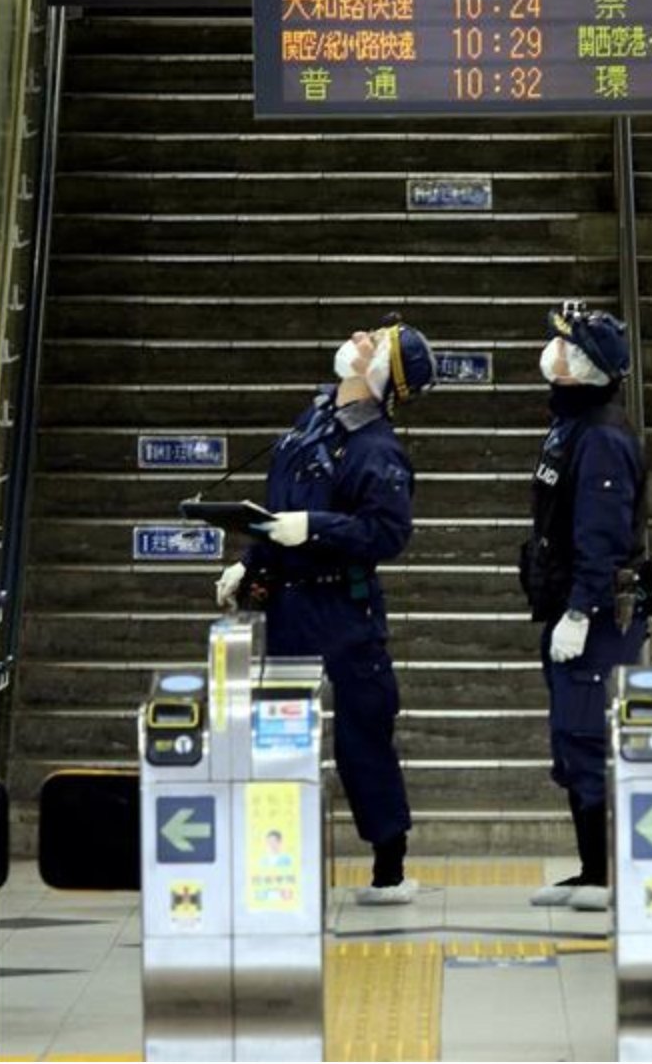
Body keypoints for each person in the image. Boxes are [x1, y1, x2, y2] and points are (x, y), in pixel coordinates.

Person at [216, 316, 437, 905]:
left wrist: (315, 526)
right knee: (281, 735)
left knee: (364, 732)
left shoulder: (377, 449)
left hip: (345, 605)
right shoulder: (314, 421)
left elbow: (387, 533)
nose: (359, 339)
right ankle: (277, 863)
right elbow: (278, 509)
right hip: (291, 601)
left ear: (383, 375)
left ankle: (389, 864)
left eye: (374, 343)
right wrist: (251, 562)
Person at [521, 301, 650, 910]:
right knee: (569, 740)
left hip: (594, 615)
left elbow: (602, 535)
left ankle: (602, 874)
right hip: (567, 607)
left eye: (567, 346)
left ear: (591, 366)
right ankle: (588, 868)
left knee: (587, 735)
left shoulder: (601, 436)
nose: (555, 351)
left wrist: (580, 611)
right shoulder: (571, 423)